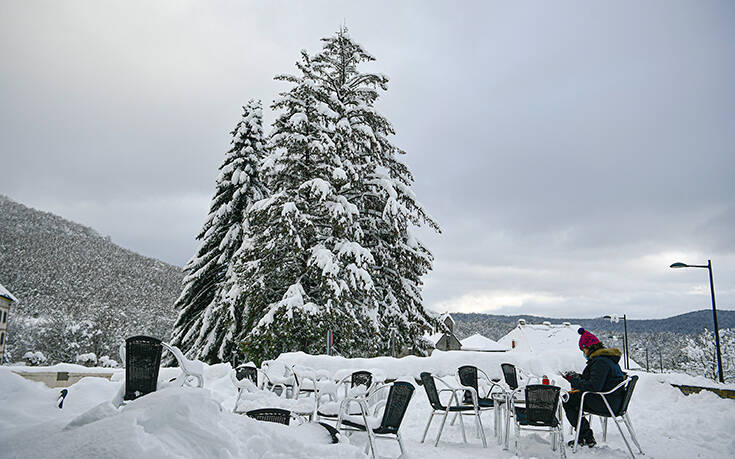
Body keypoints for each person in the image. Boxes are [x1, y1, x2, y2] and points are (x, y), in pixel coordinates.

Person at [562, 328, 626, 447]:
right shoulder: (606, 359)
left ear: (590, 348)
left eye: (584, 349)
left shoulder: (600, 362)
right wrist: (578, 377)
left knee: (568, 400)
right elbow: (597, 380)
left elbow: (593, 386)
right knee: (573, 397)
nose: (584, 353)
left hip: (607, 402)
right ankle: (585, 436)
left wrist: (574, 380)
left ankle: (585, 437)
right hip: (614, 399)